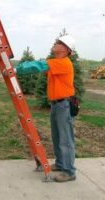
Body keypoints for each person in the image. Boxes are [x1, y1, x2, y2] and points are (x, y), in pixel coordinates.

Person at [15, 35, 76, 182]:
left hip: (63, 105)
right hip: (56, 104)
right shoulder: (57, 63)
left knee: (65, 139)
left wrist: (17, 69)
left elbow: (40, 65)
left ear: (66, 49)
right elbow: (42, 67)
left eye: (59, 42)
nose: (55, 43)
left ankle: (69, 172)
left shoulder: (63, 63)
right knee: (57, 137)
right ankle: (61, 164)